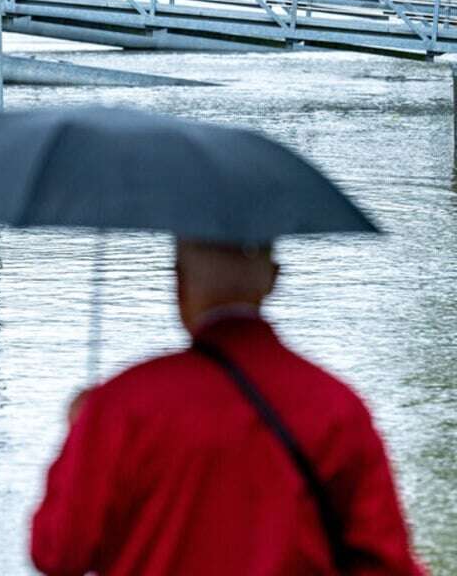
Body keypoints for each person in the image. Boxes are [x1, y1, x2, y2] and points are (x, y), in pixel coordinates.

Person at [30, 239, 426, 575]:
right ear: (273, 280)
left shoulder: (121, 405)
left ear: (178, 283)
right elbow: (386, 562)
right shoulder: (338, 409)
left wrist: (81, 433)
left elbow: (58, 552)